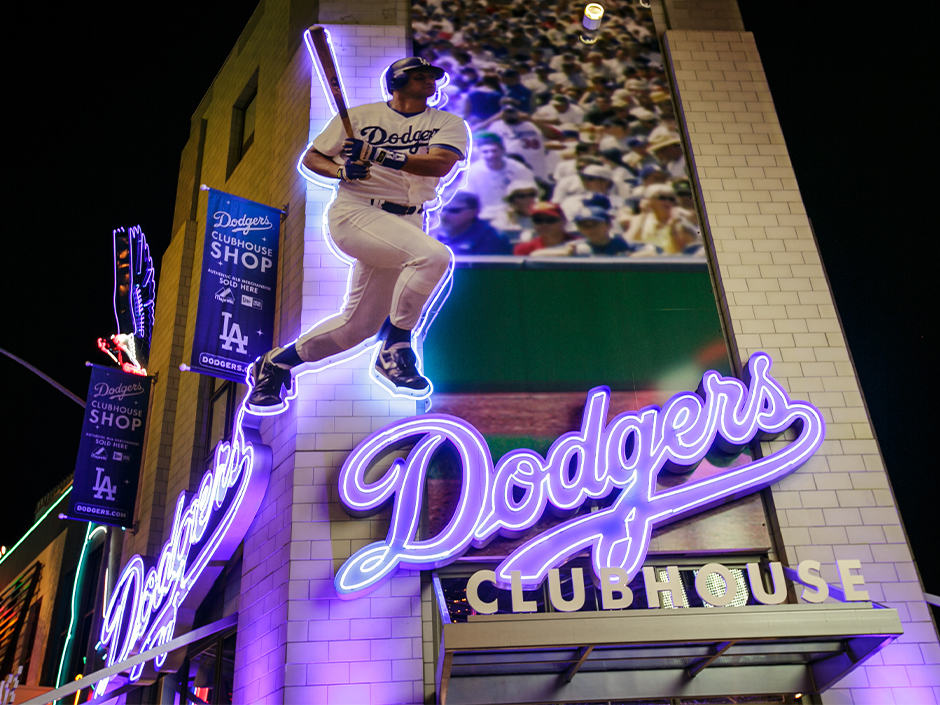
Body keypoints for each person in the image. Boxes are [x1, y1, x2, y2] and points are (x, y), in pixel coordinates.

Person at [246, 57, 469, 411]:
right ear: (397, 81)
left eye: (432, 76)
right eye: (420, 76)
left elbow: (440, 163)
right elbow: (312, 157)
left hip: (408, 221)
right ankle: (396, 346)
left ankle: (277, 363)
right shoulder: (361, 116)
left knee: (357, 329)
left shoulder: (447, 122)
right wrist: (342, 170)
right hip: (357, 211)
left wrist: (379, 155)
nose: (430, 81)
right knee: (435, 256)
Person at [464, 133, 535, 221]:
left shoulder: (519, 169)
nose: (491, 155)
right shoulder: (472, 171)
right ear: (479, 153)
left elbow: (532, 194)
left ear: (503, 151)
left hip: (516, 216)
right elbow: (467, 197)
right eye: (485, 152)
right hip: (485, 217)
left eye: (494, 151)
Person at [430, 192, 512, 255]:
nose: (444, 215)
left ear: (473, 212)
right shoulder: (431, 234)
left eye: (454, 210)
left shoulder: (492, 239)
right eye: (442, 209)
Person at [513, 202, 579, 255]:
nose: (544, 224)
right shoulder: (523, 249)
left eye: (550, 220)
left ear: (563, 221)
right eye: (538, 220)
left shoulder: (578, 244)